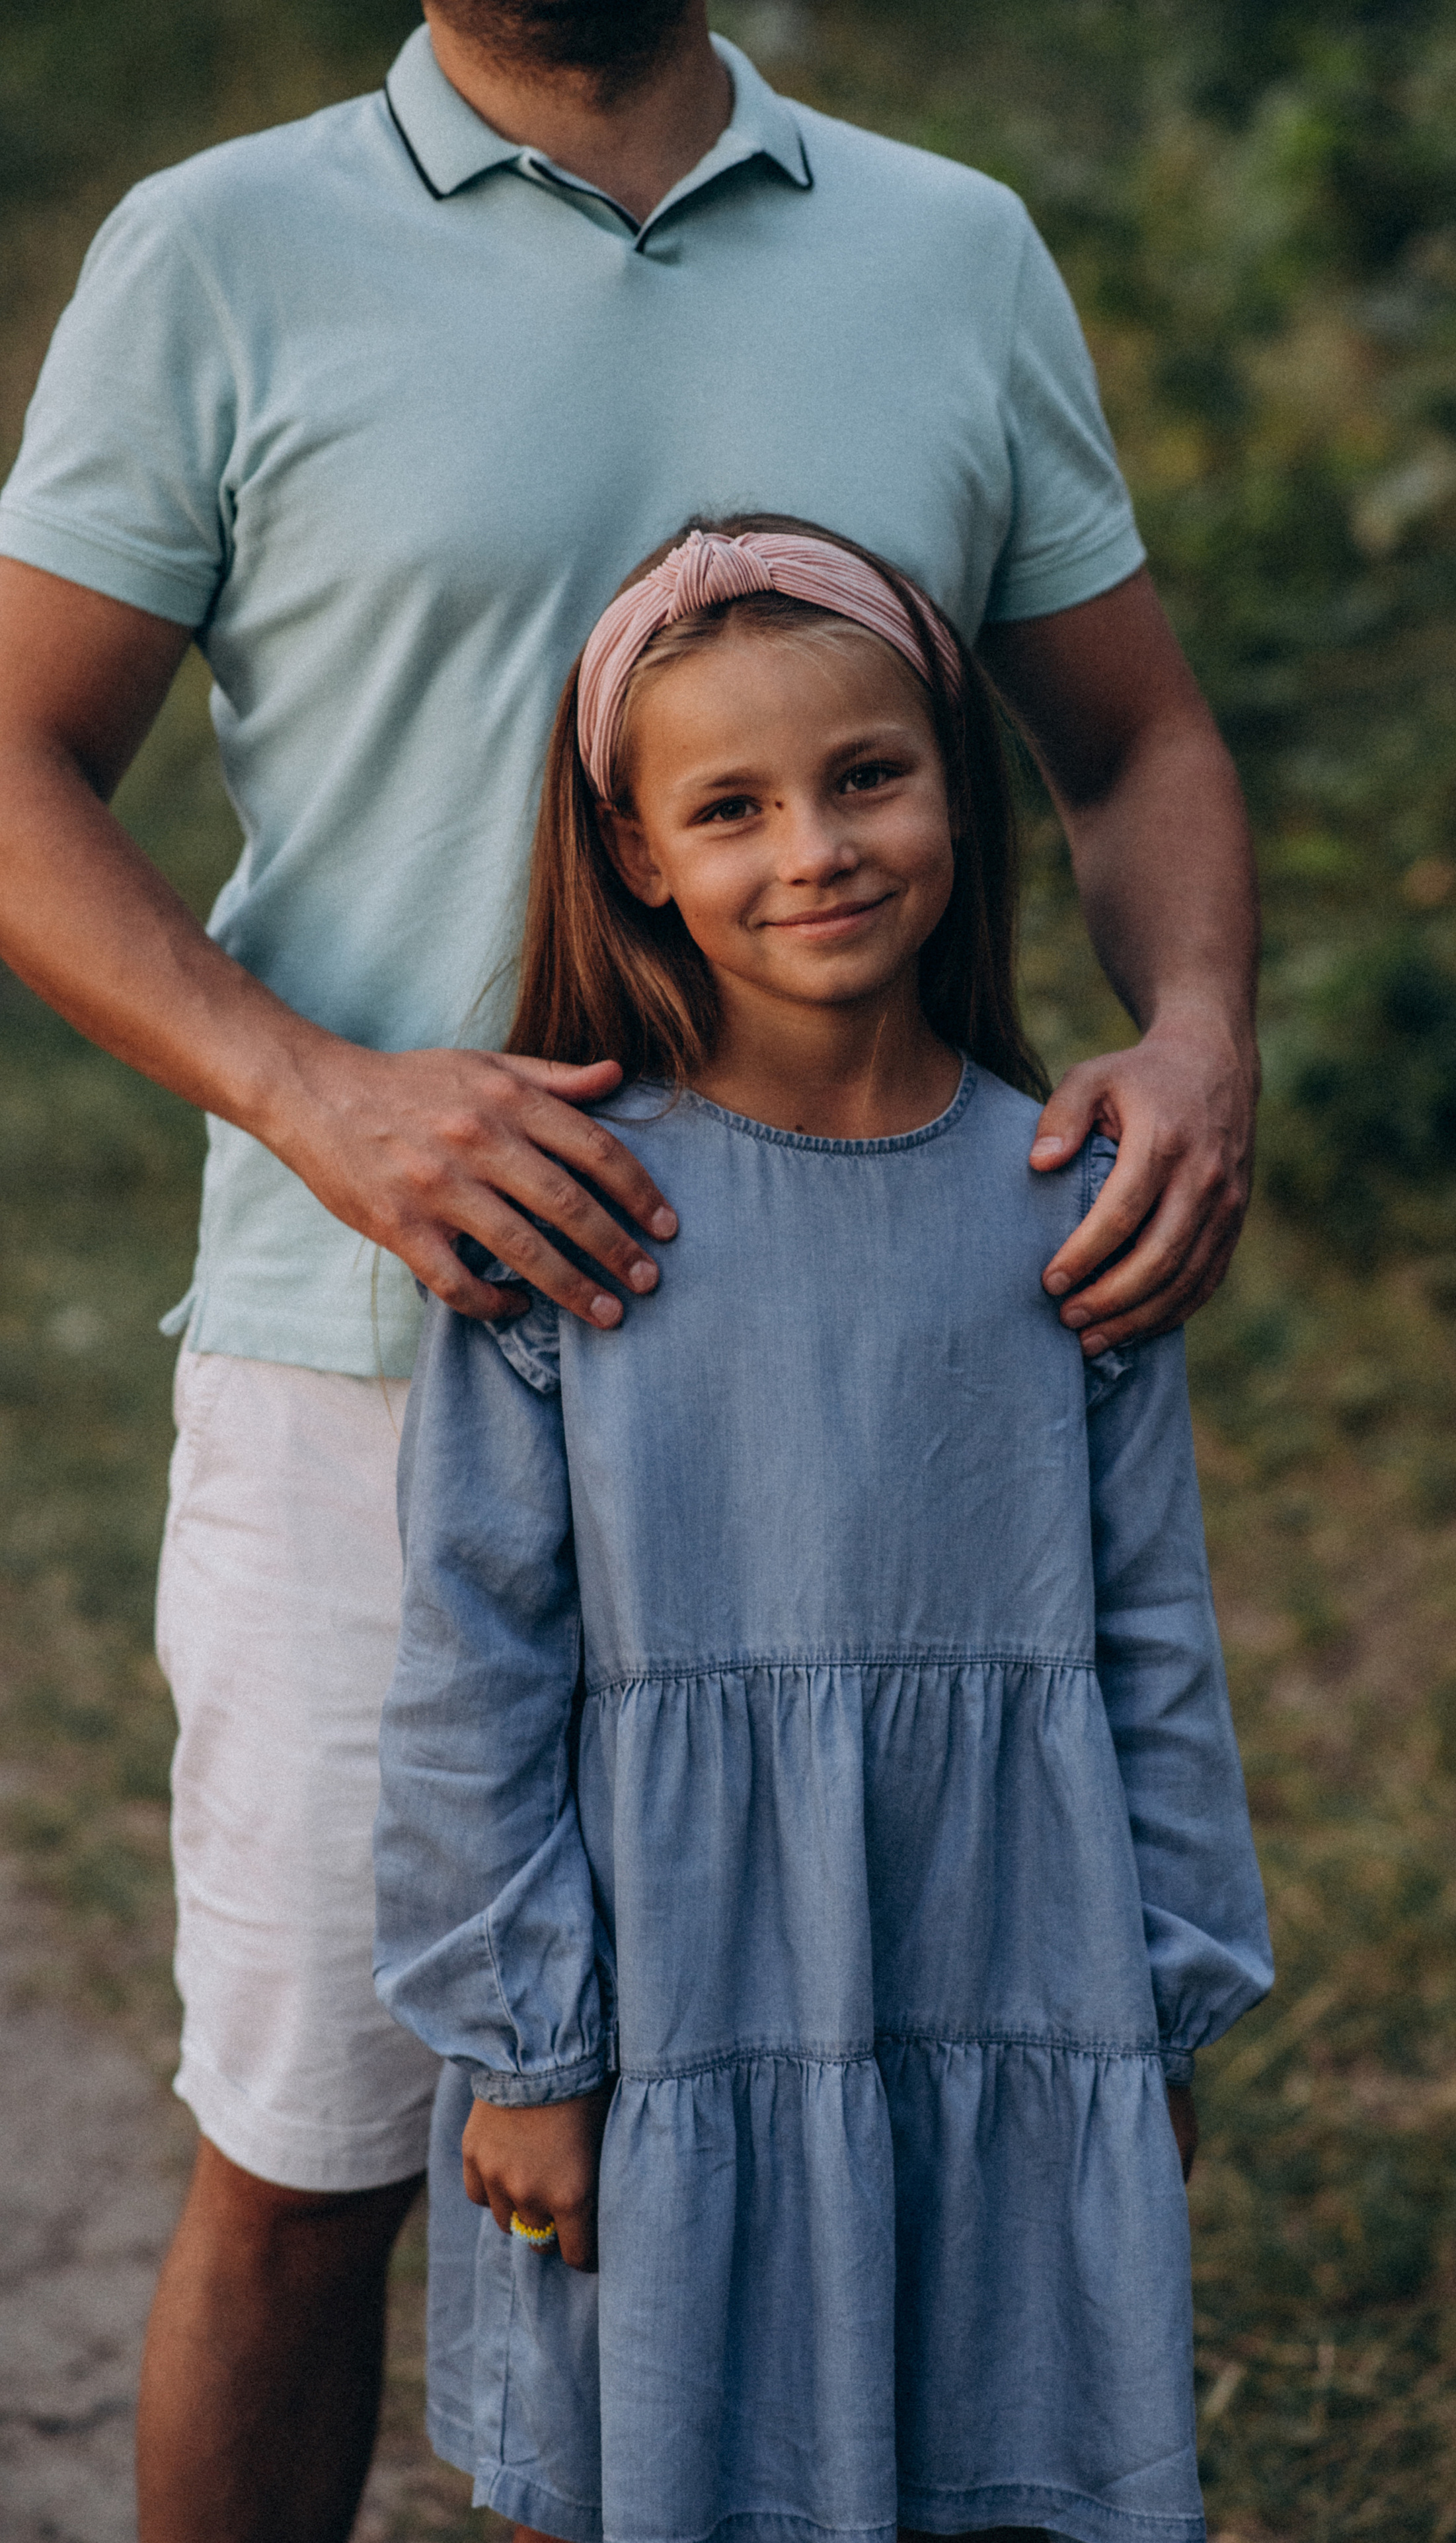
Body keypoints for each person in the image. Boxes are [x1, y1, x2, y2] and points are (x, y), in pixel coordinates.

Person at [0, 5, 1258, 2537]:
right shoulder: (219, 253)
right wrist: (311, 1088)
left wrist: (1203, 1029)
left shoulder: (947, 246)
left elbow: (1134, 747)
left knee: (890, 2132)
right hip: (369, 1382)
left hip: (876, 1393)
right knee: (316, 2161)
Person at [373, 517, 1272, 2543]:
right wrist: (527, 2048)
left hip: (1007, 1954)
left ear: (956, 777)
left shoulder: (1068, 1201)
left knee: (993, 2454)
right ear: (636, 856)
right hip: (676, 2000)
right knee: (668, 2469)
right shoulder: (572, 1221)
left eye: (868, 775)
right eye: (732, 807)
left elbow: (1150, 1633)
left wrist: (1161, 1996)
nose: (817, 849)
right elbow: (473, 1661)